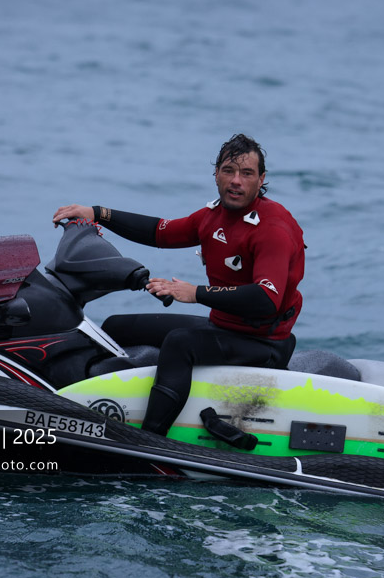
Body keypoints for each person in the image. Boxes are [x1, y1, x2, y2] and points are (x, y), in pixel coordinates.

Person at [52, 133, 305, 436]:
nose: (236, 180)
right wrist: (97, 213)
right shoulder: (214, 217)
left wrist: (195, 293)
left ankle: (149, 441)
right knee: (118, 326)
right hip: (225, 327)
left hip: (264, 343)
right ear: (216, 174)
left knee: (180, 344)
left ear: (261, 179)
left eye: (246, 173)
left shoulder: (272, 229)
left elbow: (266, 299)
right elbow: (161, 232)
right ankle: (88, 402)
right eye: (228, 171)